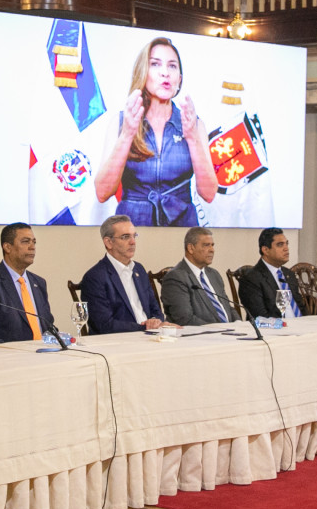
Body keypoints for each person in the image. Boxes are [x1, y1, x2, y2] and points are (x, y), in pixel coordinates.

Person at [93, 37, 217, 227]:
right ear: (142, 72)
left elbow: (209, 194)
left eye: (172, 66)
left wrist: (192, 138)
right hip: (132, 231)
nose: (165, 73)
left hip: (182, 231)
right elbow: (102, 193)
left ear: (179, 79)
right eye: (155, 64)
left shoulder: (194, 124)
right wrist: (127, 134)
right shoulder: (120, 122)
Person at [0, 222, 57, 345]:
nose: (32, 247)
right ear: (7, 247)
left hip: (44, 352)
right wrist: (17, 351)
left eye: (34, 242)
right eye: (25, 241)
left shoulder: (39, 283)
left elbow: (49, 327)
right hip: (10, 354)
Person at [81, 215, 165, 334]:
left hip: (151, 336)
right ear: (109, 242)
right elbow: (104, 325)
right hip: (119, 341)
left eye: (134, 236)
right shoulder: (95, 277)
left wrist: (155, 321)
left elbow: (156, 310)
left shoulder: (139, 270)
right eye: (125, 237)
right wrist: (145, 327)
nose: (133, 242)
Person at [161, 227, 237, 326]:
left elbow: (227, 308)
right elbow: (185, 319)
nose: (212, 250)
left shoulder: (214, 274)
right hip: (201, 334)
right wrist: (221, 330)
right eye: (206, 245)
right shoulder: (175, 277)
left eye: (212, 245)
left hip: (228, 332)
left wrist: (239, 324)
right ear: (190, 248)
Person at [238, 227, 308, 320]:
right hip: (278, 327)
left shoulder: (289, 274)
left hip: (301, 325)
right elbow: (261, 317)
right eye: (280, 245)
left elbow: (301, 308)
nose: (286, 248)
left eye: (286, 244)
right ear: (265, 250)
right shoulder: (251, 279)